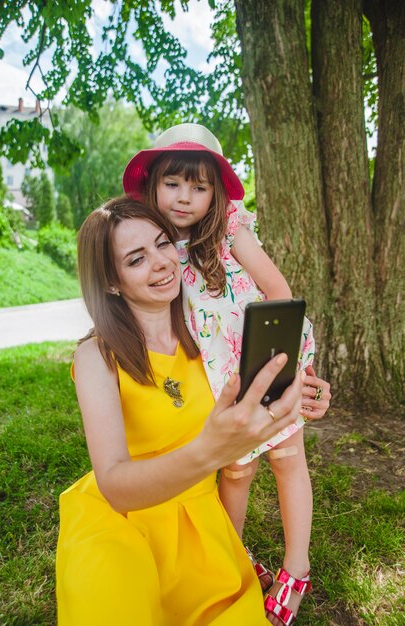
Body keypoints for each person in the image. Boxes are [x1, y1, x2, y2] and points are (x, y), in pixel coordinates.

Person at [55, 196, 310, 626]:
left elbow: (265, 386)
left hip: (201, 528)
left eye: (163, 244)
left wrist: (304, 390)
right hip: (120, 524)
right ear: (111, 283)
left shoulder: (211, 336)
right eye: (136, 259)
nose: (161, 263)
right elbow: (115, 484)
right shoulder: (97, 357)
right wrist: (212, 451)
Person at [122, 123, 331, 626]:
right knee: (235, 472)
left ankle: (295, 568)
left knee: (287, 457)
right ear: (153, 184)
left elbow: (276, 286)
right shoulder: (155, 241)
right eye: (173, 183)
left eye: (199, 186)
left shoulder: (230, 227)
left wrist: (295, 364)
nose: (185, 197)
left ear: (216, 194)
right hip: (218, 379)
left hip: (265, 357)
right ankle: (228, 560)